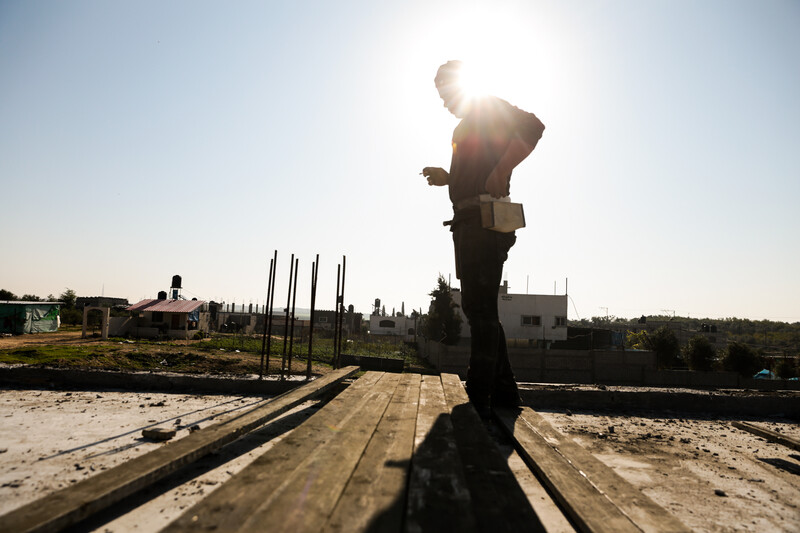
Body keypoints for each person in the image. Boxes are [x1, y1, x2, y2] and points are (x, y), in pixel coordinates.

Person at [422, 60, 545, 414]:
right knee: (481, 308)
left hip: (484, 223)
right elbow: (475, 169)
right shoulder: (467, 125)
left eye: (446, 93)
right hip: (467, 222)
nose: (444, 102)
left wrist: (504, 168)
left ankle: (479, 393)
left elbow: (534, 127)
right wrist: (449, 177)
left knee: (480, 310)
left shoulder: (488, 106)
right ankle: (505, 393)